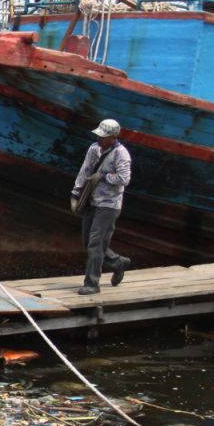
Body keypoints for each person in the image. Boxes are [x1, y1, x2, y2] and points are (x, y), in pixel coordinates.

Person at [70, 119, 132, 295]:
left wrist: (103, 176)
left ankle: (92, 283)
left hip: (109, 205)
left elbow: (124, 179)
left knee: (96, 243)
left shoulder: (121, 154)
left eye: (103, 137)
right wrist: (75, 193)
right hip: (92, 200)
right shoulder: (93, 149)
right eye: (98, 135)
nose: (99, 139)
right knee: (87, 241)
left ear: (113, 138)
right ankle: (117, 263)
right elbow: (85, 171)